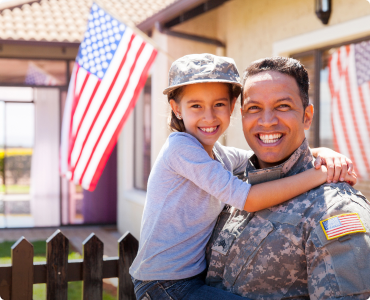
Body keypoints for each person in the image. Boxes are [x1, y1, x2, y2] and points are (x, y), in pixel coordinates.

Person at [129, 54, 356, 300]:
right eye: (196, 106)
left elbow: (268, 149)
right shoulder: (180, 149)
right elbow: (247, 199)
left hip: (188, 278)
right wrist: (319, 174)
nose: (209, 116)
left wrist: (322, 152)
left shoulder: (218, 155)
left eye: (218, 104)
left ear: (232, 106)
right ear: (176, 109)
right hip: (165, 284)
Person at [206, 56, 370, 299]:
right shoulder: (230, 184)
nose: (267, 121)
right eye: (254, 108)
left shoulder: (335, 209)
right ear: (242, 116)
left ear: (306, 116)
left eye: (282, 106)